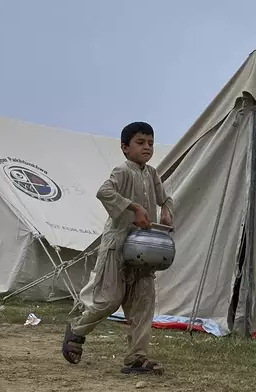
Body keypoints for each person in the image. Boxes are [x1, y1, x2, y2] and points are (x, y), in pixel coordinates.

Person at [62, 121, 174, 375]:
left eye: (151, 143)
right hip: (118, 245)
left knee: (143, 303)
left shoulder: (152, 173)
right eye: (140, 143)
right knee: (110, 300)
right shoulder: (123, 171)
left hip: (144, 249)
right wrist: (134, 208)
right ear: (125, 147)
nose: (147, 148)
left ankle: (137, 358)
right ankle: (77, 331)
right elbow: (104, 192)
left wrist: (167, 209)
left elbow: (165, 197)